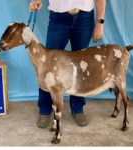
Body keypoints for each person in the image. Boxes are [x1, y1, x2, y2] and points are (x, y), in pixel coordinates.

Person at [29, 0, 106, 128]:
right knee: (48, 66)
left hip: (84, 17)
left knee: (80, 67)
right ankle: (45, 109)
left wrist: (100, 22)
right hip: (58, 16)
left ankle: (77, 108)